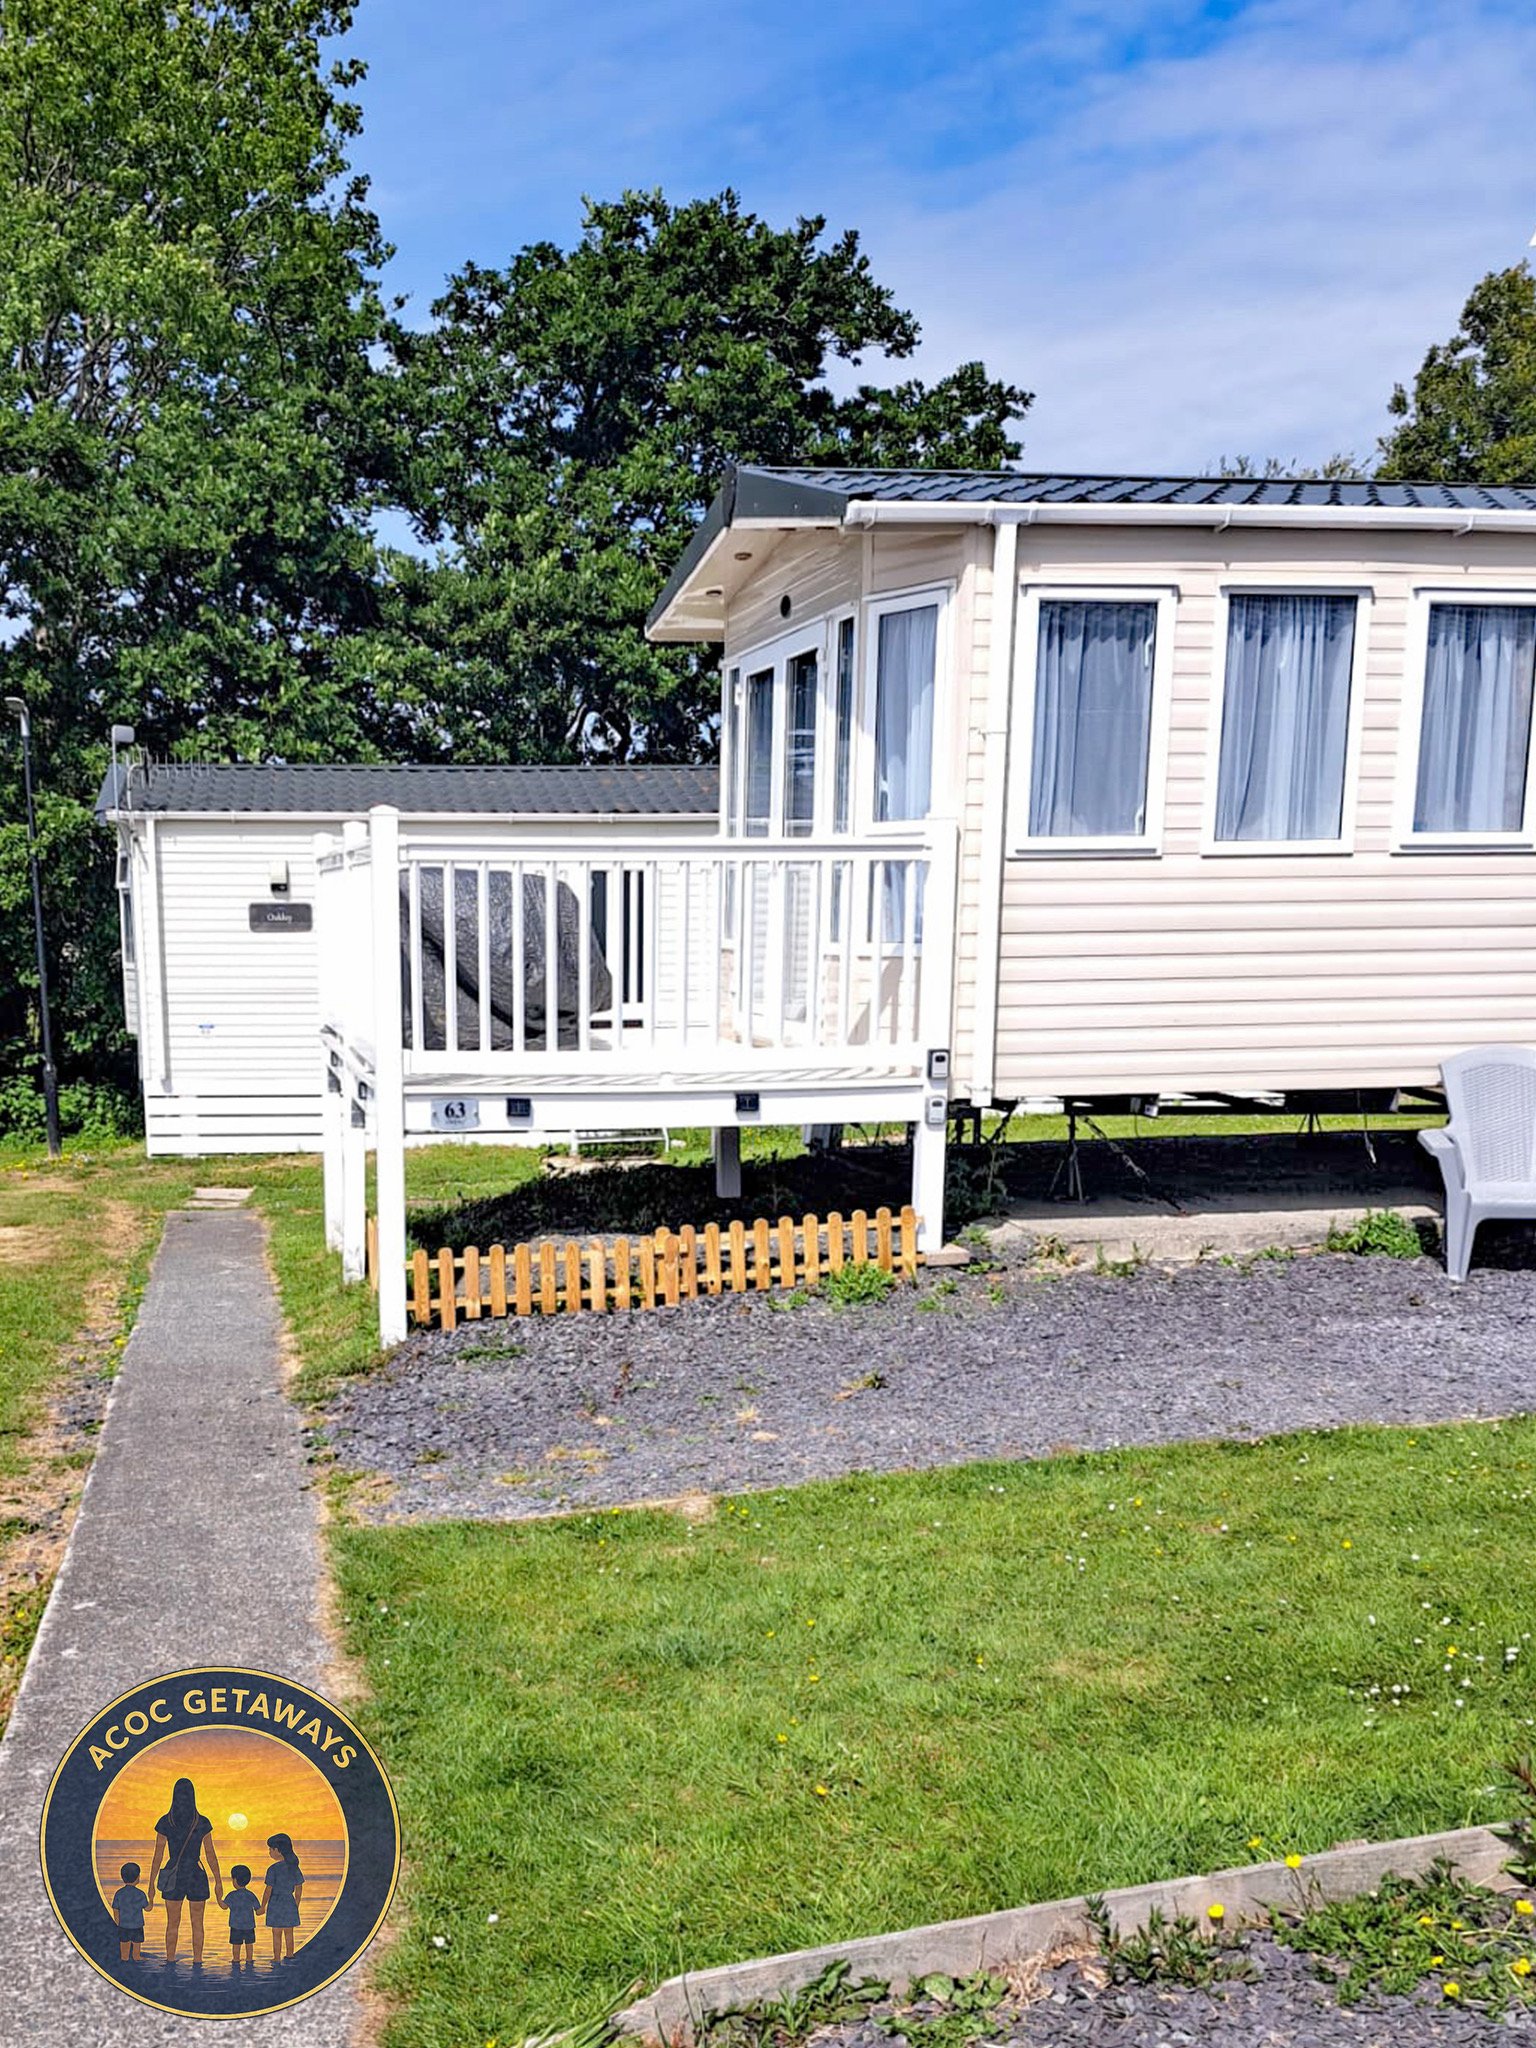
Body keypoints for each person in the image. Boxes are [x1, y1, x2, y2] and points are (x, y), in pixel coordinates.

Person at [145, 1776, 222, 1966]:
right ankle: (197, 1961)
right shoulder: (202, 1821)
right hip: (196, 1873)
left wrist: (151, 1884)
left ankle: (170, 1960)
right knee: (198, 1924)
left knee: (172, 1923)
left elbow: (158, 1855)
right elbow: (210, 1853)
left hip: (174, 1874)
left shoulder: (166, 1821)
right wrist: (218, 1881)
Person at [260, 1833, 303, 1963]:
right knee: (289, 1932)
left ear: (278, 1850)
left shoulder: (273, 1869)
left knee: (276, 1932)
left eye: (271, 1849)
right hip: (289, 1901)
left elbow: (268, 1890)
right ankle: (290, 1954)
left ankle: (276, 1957)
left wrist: (263, 1906)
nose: (269, 1852)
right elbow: (299, 1886)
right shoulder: (293, 1867)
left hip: (276, 1902)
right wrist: (296, 1902)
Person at [112, 1861, 150, 1963]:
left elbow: (116, 1909)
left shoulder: (119, 1893)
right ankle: (136, 1957)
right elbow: (147, 1908)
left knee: (124, 1945)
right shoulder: (140, 1894)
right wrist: (151, 1898)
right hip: (137, 1925)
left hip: (124, 1925)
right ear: (138, 1877)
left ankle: (124, 1958)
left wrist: (117, 1922)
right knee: (137, 1945)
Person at [222, 1864, 260, 1967]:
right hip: (249, 1925)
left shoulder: (232, 1895)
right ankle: (249, 1960)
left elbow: (224, 1906)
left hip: (236, 1926)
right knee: (249, 1944)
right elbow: (258, 1909)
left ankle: (236, 1960)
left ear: (234, 1880)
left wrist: (218, 1898)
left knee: (236, 1945)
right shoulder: (251, 1895)